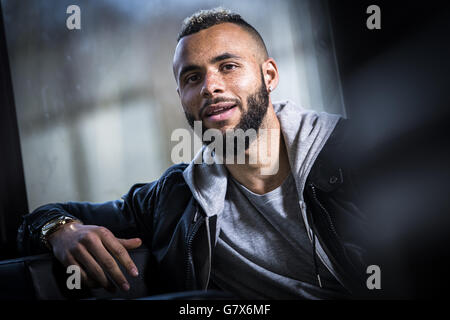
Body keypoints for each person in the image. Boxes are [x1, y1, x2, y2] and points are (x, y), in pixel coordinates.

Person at [17, 8, 369, 299]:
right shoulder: (175, 197)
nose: (210, 86)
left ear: (269, 75)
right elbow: (43, 216)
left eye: (228, 66)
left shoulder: (354, 152)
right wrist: (60, 230)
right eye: (191, 77)